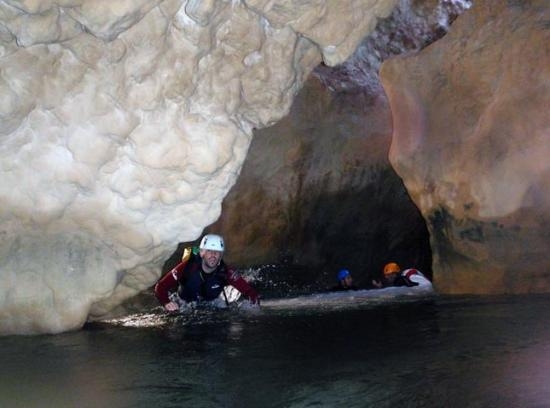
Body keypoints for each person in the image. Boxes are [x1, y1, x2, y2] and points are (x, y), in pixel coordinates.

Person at [154, 234, 260, 312]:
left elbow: (251, 293)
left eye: (217, 252)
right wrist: (166, 302)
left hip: (211, 304)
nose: (213, 255)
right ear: (202, 253)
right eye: (209, 250)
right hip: (184, 305)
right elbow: (161, 287)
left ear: (221, 255)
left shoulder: (225, 272)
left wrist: (253, 309)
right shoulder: (187, 267)